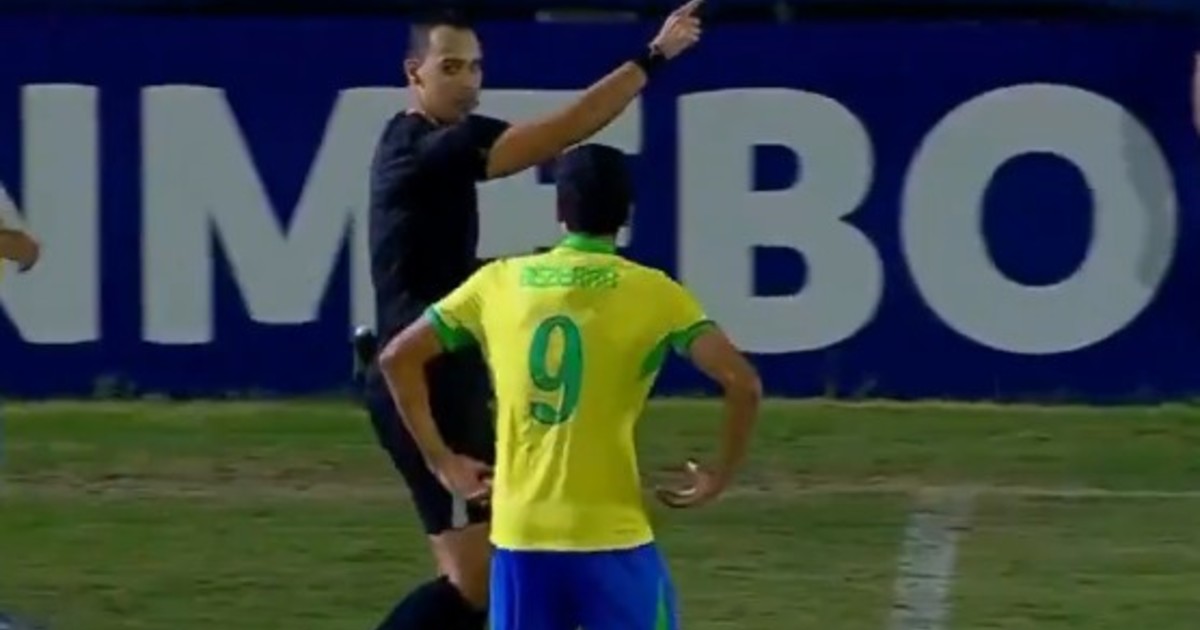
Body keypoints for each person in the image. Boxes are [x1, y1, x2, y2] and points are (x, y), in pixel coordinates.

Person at [361, 4, 706, 629]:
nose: (467, 80)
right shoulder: (427, 149)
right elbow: (566, 128)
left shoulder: (420, 143)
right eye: (450, 67)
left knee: (508, 567)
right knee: (479, 583)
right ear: (415, 73)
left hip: (443, 378)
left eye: (475, 67)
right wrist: (654, 56)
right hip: (423, 385)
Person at [377, 143, 762, 630]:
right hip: (610, 535)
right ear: (627, 215)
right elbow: (742, 383)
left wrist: (442, 460)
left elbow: (397, 358)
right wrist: (718, 476)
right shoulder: (655, 293)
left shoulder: (499, 282)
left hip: (522, 537)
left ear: (559, 210)